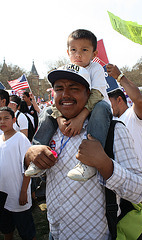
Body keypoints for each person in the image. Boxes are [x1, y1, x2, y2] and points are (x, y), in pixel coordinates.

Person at [25, 65, 142, 240]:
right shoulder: (51, 129)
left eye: (74, 88)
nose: (65, 94)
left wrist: (105, 164)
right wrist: (30, 155)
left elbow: (140, 191)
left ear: (89, 95)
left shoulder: (113, 131)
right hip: (55, 232)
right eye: (59, 88)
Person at [26, 29, 112, 181]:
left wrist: (80, 118)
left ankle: (89, 163)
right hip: (73, 110)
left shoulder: (96, 68)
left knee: (101, 107)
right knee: (46, 111)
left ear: (94, 54)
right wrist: (59, 118)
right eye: (74, 50)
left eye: (84, 50)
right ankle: (39, 153)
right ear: (67, 52)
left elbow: (96, 95)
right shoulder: (66, 69)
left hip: (96, 109)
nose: (78, 54)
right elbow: (57, 100)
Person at [0, 106, 36, 240]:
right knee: (6, 229)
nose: (2, 122)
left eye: (6, 118)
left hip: (18, 193)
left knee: (26, 231)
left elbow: (29, 168)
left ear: (14, 119)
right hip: (3, 194)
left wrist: (23, 192)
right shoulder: (0, 139)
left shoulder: (21, 139)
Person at [107, 64, 142, 170]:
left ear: (119, 99)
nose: (105, 105)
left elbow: (138, 99)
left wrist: (120, 77)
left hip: (135, 178)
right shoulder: (111, 120)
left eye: (108, 101)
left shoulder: (133, 115)